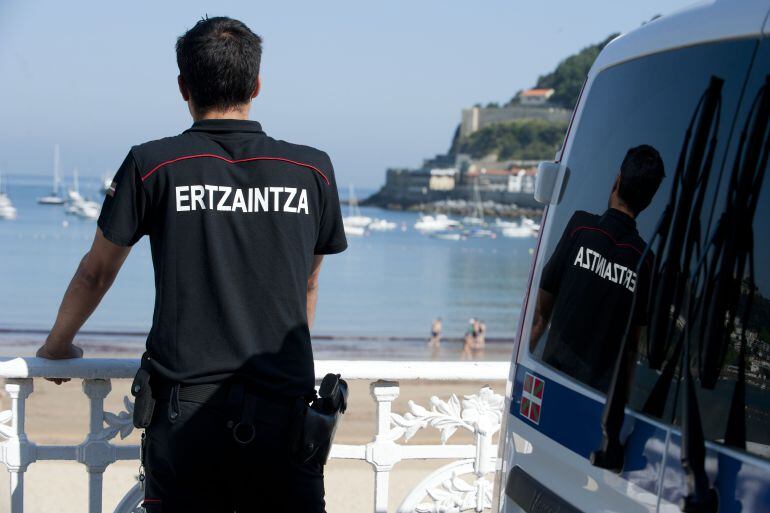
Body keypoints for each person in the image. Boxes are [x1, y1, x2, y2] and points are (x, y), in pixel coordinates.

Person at [34, 17, 346, 513]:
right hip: (284, 408)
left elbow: (97, 271)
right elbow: (307, 284)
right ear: (257, 84)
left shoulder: (154, 164)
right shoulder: (311, 170)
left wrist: (56, 346)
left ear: (183, 87)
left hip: (185, 411)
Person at [530, 145, 664, 392]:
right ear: (649, 200)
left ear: (617, 180)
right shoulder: (645, 260)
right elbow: (631, 348)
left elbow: (540, 314)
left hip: (552, 381)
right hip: (599, 400)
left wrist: (523, 373)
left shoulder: (581, 227)